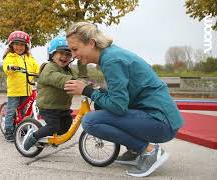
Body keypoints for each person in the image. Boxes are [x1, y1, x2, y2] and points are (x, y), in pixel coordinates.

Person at [64, 22, 184, 177]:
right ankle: (134, 150)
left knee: (90, 121)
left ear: (91, 43)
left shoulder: (111, 60)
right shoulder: (110, 54)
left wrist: (86, 90)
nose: (73, 55)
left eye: (75, 49)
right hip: (161, 117)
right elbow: (120, 96)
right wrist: (97, 91)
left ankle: (150, 151)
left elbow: (118, 107)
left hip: (162, 122)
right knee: (101, 106)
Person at [23, 36, 75, 150]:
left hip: (62, 107)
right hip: (48, 106)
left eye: (68, 54)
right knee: (53, 126)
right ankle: (33, 136)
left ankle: (51, 138)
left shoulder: (68, 70)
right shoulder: (49, 68)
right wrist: (73, 81)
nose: (64, 57)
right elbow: (57, 78)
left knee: (66, 125)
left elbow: (74, 79)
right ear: (52, 54)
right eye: (60, 53)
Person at [2, 30, 40, 141]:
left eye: (22, 45)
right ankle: (9, 132)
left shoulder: (29, 57)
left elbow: (36, 67)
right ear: (11, 45)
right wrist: (11, 67)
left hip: (27, 89)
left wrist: (42, 71)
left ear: (26, 46)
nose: (19, 47)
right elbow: (6, 67)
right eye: (16, 44)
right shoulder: (10, 57)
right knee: (11, 111)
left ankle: (22, 129)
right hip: (15, 90)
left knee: (25, 112)